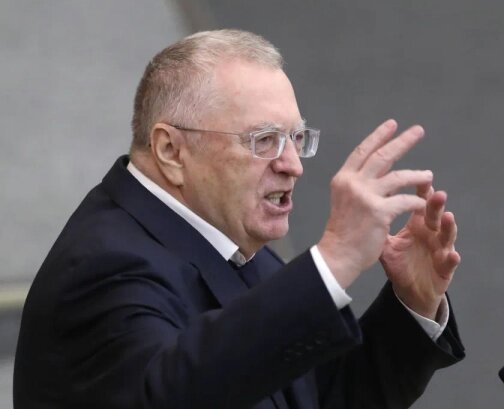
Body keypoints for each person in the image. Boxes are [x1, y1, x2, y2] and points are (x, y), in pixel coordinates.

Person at [14, 29, 464, 409]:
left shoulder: (233, 245)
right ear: (171, 151)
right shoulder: (104, 267)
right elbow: (176, 396)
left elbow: (321, 397)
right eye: (264, 140)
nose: (293, 165)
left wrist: (412, 303)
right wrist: (338, 257)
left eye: (296, 138)